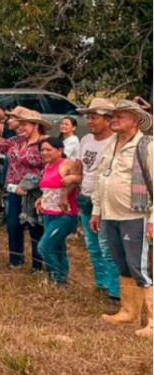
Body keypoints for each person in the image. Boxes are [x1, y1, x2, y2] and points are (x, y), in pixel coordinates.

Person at [90, 100, 154, 339]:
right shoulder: (112, 144)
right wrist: (97, 210)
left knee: (143, 267)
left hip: (136, 215)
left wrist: (153, 220)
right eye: (113, 116)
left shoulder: (147, 146)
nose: (114, 119)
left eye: (121, 116)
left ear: (135, 120)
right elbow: (100, 178)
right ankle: (129, 311)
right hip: (111, 214)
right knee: (123, 264)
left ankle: (152, 321)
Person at [0, 108, 48, 272]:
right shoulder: (16, 141)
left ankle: (37, 264)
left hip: (33, 192)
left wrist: (38, 186)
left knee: (34, 227)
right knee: (12, 225)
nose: (20, 127)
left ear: (36, 126)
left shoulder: (43, 144)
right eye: (19, 124)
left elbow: (49, 166)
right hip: (12, 190)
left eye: (25, 124)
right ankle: (16, 259)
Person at [75, 98, 121, 301]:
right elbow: (79, 166)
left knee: (107, 246)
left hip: (105, 200)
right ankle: (101, 283)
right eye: (88, 117)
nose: (89, 121)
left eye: (94, 117)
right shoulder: (86, 140)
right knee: (92, 245)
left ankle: (115, 291)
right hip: (86, 197)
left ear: (107, 119)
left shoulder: (116, 142)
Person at [36, 138, 82, 286]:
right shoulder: (47, 165)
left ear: (59, 150)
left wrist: (65, 195)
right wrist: (41, 199)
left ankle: (54, 275)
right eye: (42, 150)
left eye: (48, 149)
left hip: (65, 215)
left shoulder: (67, 163)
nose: (44, 153)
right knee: (58, 247)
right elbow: (48, 188)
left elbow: (78, 179)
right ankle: (61, 281)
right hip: (49, 213)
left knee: (44, 246)